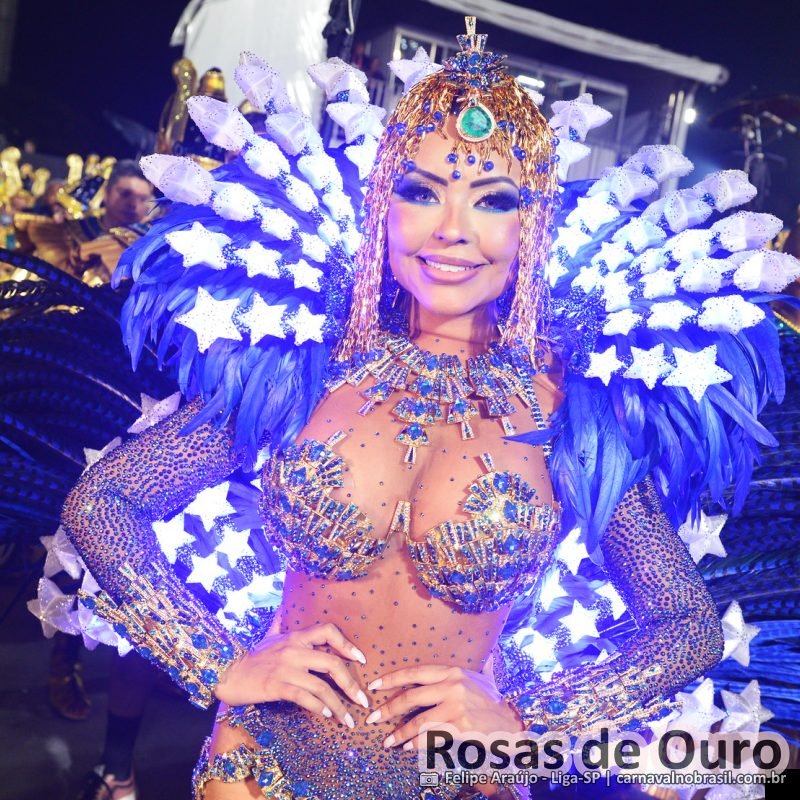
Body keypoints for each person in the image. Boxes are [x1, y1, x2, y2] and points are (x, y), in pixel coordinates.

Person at [59, 19, 795, 800]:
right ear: (383, 204)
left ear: (532, 222)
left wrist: (530, 721)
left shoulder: (575, 413)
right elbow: (105, 503)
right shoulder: (302, 367)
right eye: (421, 190)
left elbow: (684, 626)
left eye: (493, 199)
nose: (451, 229)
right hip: (260, 766)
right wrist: (219, 662)